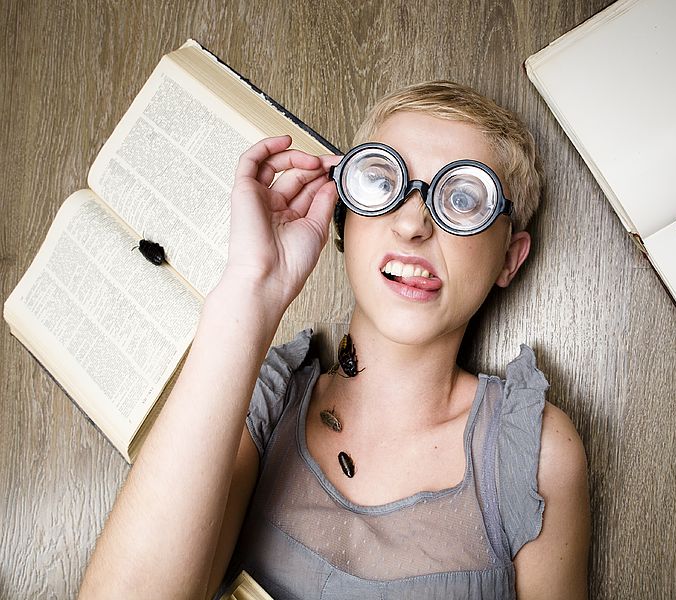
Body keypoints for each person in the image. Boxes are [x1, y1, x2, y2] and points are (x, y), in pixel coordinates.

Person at [79, 81, 590, 599]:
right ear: (345, 215)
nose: (414, 223)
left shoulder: (534, 455)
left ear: (509, 257)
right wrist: (252, 288)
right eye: (383, 178)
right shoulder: (264, 406)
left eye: (463, 198)